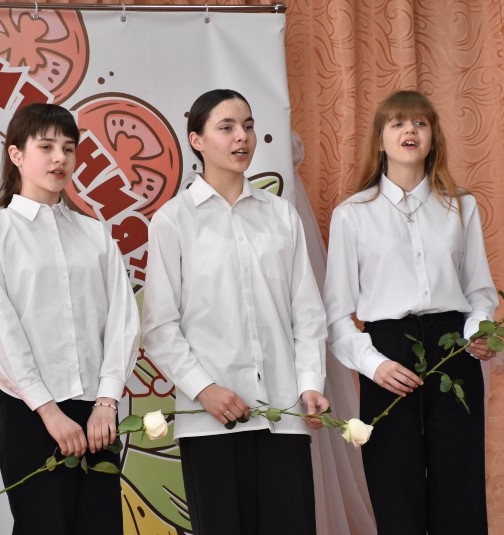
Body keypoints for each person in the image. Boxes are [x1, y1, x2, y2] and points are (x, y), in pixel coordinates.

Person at [142, 89, 329, 535]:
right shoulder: (173, 220)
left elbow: (307, 314)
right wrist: (204, 390)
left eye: (247, 126)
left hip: (284, 415)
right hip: (210, 421)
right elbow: (160, 326)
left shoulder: (281, 215)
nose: (241, 136)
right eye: (226, 127)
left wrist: (310, 384)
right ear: (197, 140)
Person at [324, 90, 498, 534]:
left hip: (453, 349)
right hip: (387, 353)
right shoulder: (351, 215)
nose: (410, 131)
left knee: (459, 485)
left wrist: (479, 331)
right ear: (379, 139)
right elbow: (336, 315)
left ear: (433, 137)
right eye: (398, 123)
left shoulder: (461, 205)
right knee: (393, 486)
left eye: (421, 123)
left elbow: (479, 292)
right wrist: (374, 365)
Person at [0, 103, 140, 534]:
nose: (60, 158)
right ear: (16, 154)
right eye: (46, 147)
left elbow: (122, 321)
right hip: (29, 414)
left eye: (68, 148)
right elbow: (2, 334)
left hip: (97, 415)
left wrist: (106, 402)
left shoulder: (95, 234)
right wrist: (48, 411)